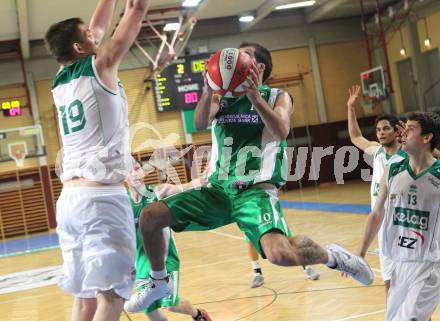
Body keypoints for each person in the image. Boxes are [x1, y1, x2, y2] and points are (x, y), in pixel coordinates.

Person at [125, 42, 374, 312]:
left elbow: (280, 131)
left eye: (244, 58)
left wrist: (255, 98)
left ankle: (334, 256)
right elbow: (198, 123)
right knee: (149, 217)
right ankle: (160, 282)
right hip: (217, 190)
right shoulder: (221, 98)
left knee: (280, 254)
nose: (237, 60)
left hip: (254, 191)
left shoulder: (278, 96)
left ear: (260, 68)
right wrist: (208, 90)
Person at [45, 1, 150, 320]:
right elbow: (126, 28)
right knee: (112, 297)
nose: (96, 35)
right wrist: (137, 9)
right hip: (101, 199)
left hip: (70, 203)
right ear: (79, 47)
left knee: (85, 298)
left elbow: (100, 27)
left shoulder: (61, 76)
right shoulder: (101, 65)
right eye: (89, 35)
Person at [356, 111, 440, 321]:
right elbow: (376, 214)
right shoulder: (393, 168)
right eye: (402, 130)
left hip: (429, 263)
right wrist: (360, 253)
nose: (402, 134)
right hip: (400, 262)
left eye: (409, 130)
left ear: (427, 138)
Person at [126, 162, 212, 321]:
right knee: (150, 310)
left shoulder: (157, 192)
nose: (135, 174)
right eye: (130, 171)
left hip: (165, 259)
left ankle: (198, 315)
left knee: (170, 304)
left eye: (137, 169)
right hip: (140, 263)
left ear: (144, 173)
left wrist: (205, 178)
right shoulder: (123, 203)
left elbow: (187, 186)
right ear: (125, 177)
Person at [347, 85, 407, 296]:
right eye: (379, 130)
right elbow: (355, 137)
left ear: (397, 131)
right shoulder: (377, 152)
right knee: (389, 284)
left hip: (405, 227)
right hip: (382, 227)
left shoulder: (409, 156)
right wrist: (350, 108)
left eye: (386, 129)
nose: (381, 133)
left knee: (412, 290)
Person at [247, 239, 320, 288]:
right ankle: (257, 274)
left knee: (287, 239)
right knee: (250, 239)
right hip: (251, 216)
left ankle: (307, 267)